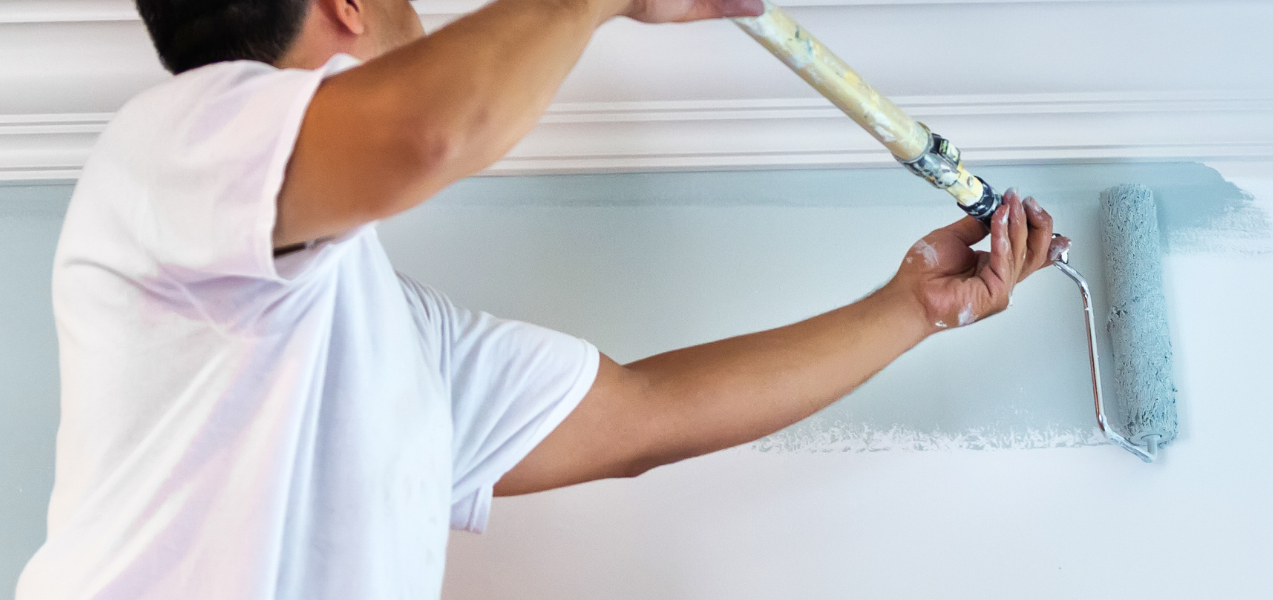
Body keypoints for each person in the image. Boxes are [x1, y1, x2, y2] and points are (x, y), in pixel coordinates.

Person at [17, 0, 1063, 597]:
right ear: (347, 5)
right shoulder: (167, 147)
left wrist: (913, 307)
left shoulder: (384, 339)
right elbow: (429, 131)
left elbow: (644, 417)